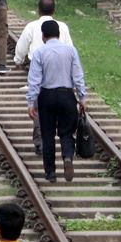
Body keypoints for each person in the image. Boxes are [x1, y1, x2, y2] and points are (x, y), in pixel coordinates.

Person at [26, 20, 87, 182]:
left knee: (47, 135)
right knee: (67, 132)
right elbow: (78, 76)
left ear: (43, 36)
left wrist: (31, 102)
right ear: (59, 35)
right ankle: (67, 157)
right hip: (66, 95)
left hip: (46, 96)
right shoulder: (71, 51)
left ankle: (51, 173)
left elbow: (34, 80)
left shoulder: (39, 53)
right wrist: (82, 97)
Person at [13, 0, 72, 67]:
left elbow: (22, 46)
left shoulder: (31, 26)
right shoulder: (63, 26)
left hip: (37, 64)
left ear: (38, 11)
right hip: (58, 64)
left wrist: (18, 61)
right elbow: (69, 48)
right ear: (54, 11)